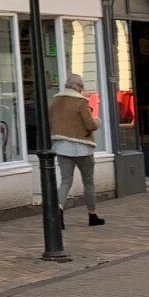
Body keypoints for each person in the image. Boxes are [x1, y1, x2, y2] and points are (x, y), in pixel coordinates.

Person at [49, 73, 104, 227]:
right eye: (81, 87)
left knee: (66, 181)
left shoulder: (55, 100)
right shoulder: (81, 102)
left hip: (61, 146)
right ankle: (92, 215)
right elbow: (90, 125)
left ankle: (58, 210)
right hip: (82, 147)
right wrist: (97, 121)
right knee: (88, 182)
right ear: (78, 87)